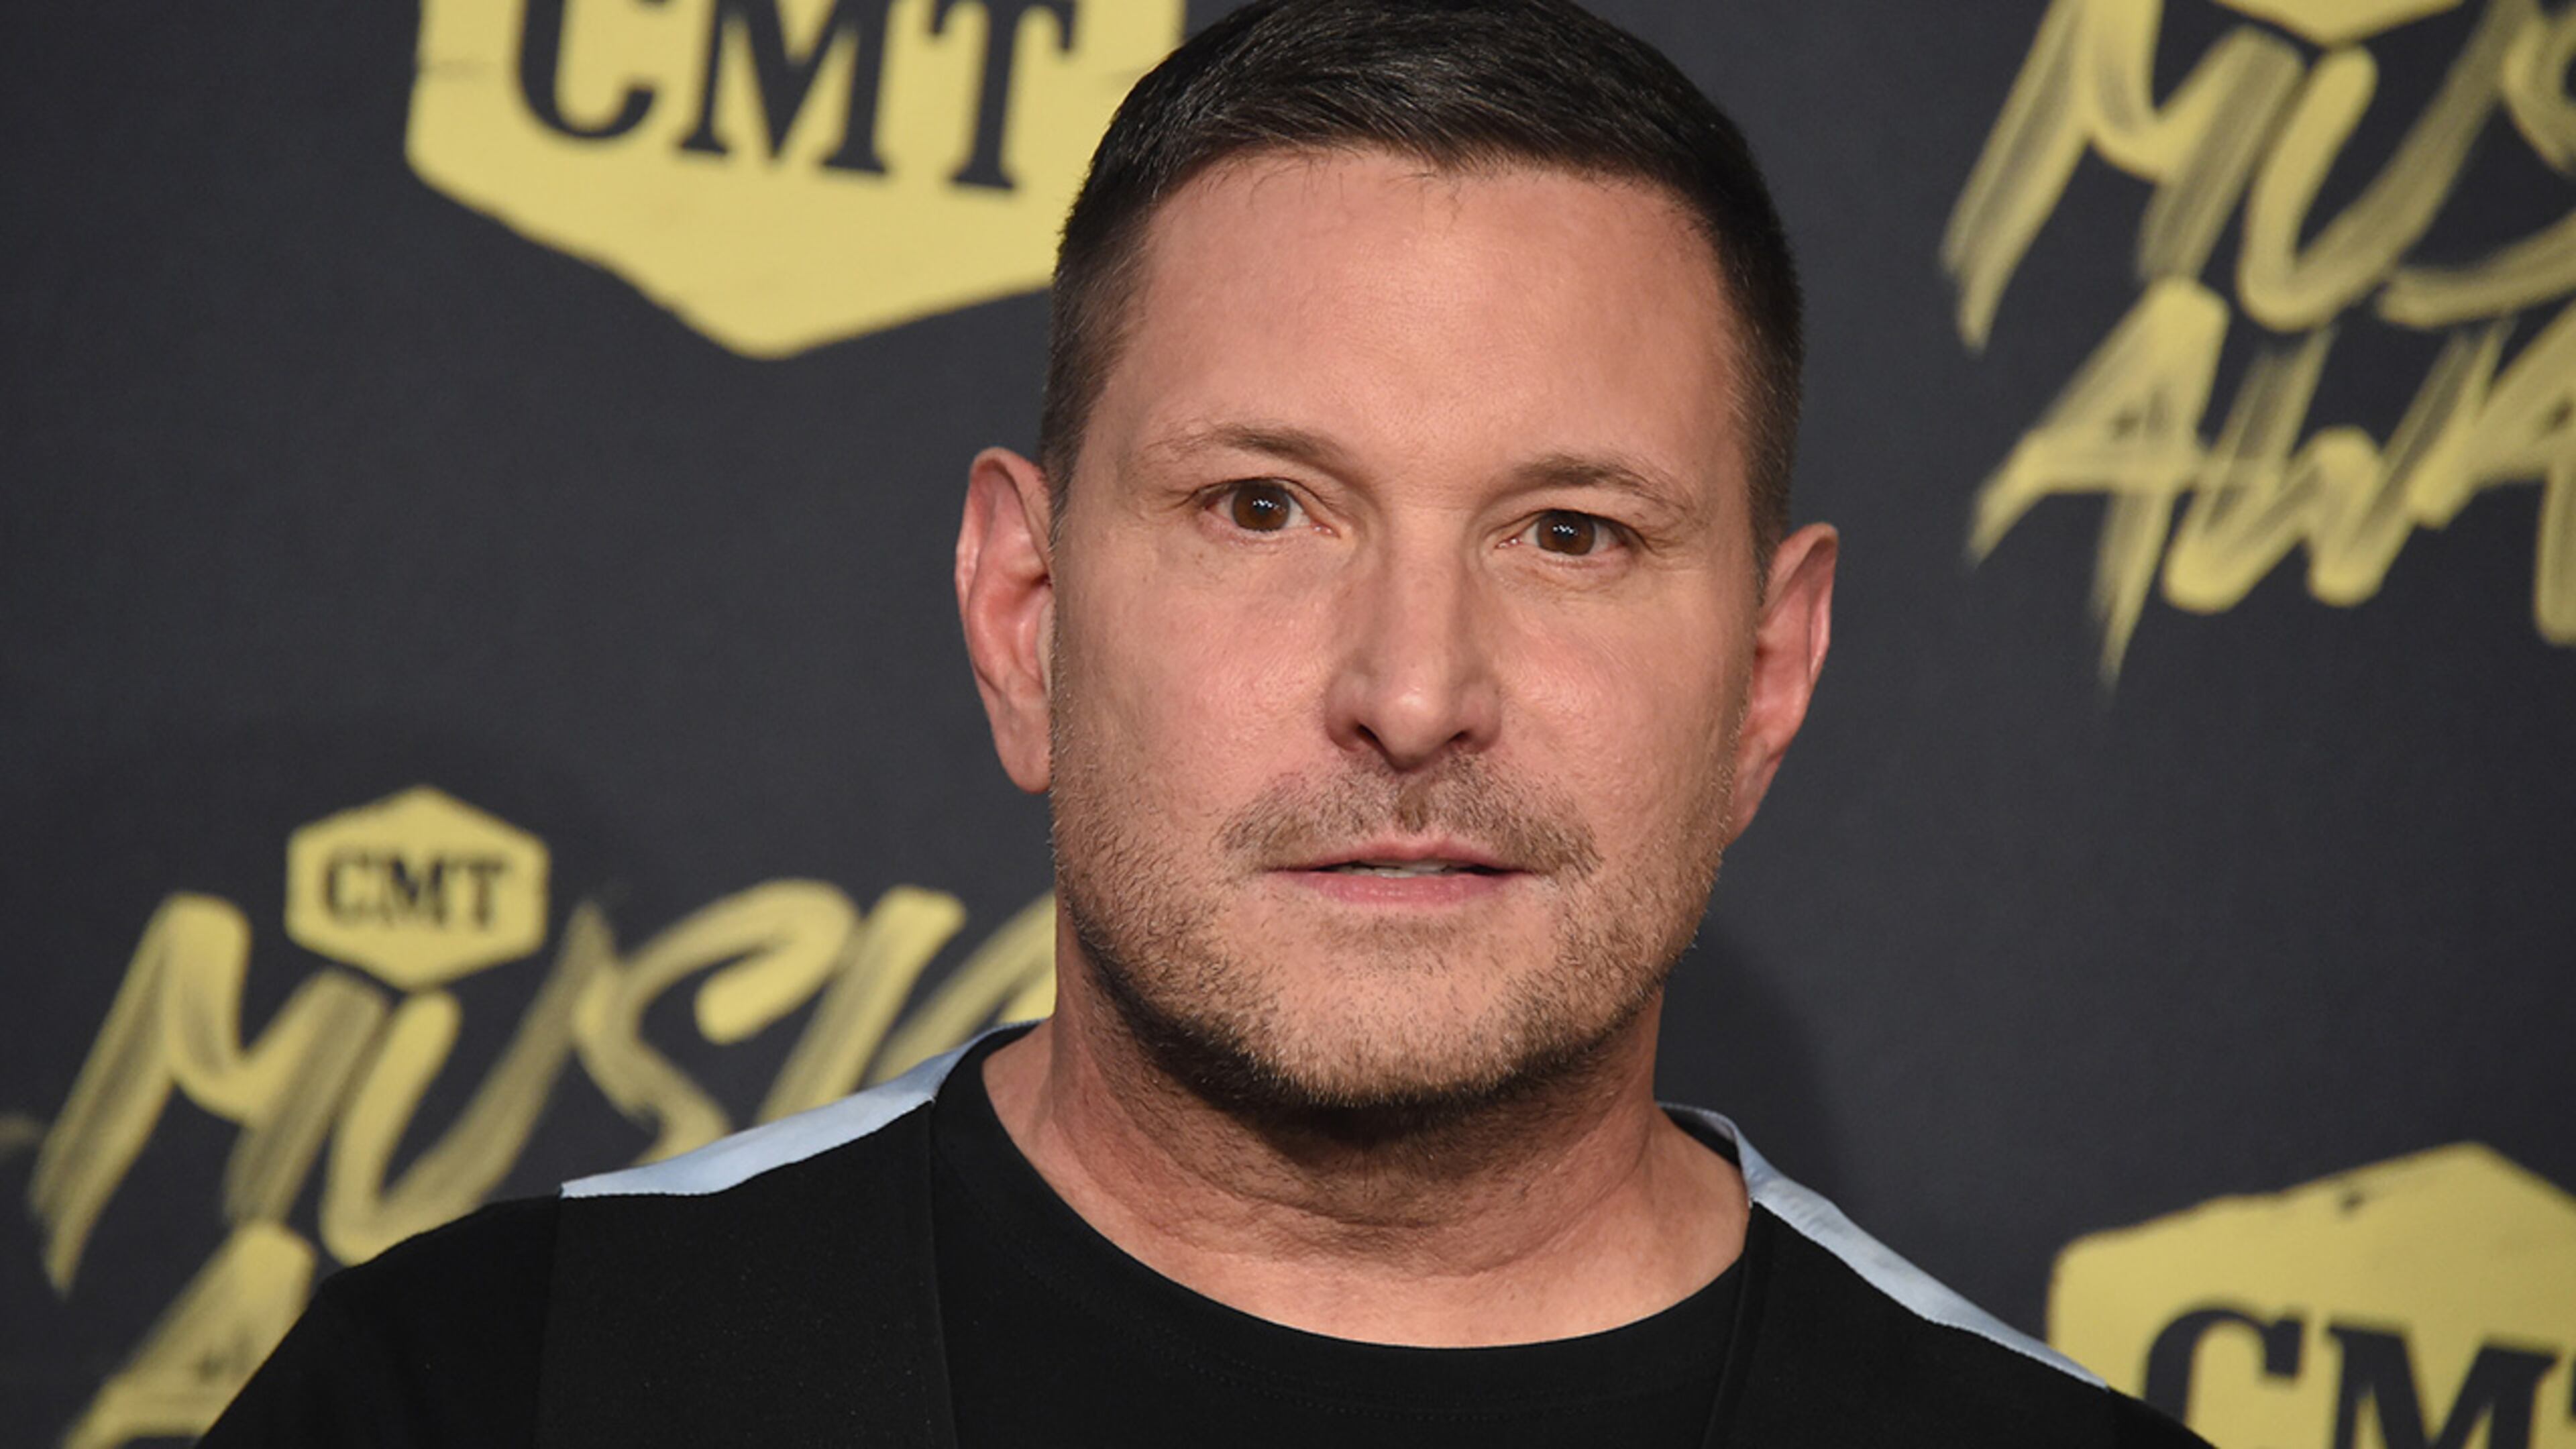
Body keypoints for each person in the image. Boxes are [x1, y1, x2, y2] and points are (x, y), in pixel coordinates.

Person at [205, 1, 2207, 1444]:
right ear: (1025, 611)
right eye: (1263, 507)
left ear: (1769, 674)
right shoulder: (495, 1389)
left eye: (1572, 532)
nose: (1414, 692)